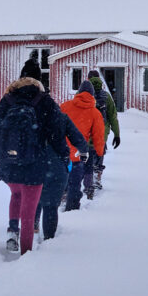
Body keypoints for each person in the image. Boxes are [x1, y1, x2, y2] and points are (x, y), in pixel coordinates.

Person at [0, 59, 88, 255]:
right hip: (34, 165)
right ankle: (26, 255)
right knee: (29, 212)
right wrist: (65, 160)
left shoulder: (8, 99)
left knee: (15, 195)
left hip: (9, 163)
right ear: (39, 79)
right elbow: (57, 136)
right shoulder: (45, 101)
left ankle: (13, 231)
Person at [60, 80, 106, 209]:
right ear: (92, 95)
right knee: (75, 183)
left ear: (78, 92)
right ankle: (72, 208)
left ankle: (59, 199)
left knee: (61, 178)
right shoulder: (94, 112)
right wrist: (99, 152)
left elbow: (54, 126)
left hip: (62, 151)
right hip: (79, 152)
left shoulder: (64, 106)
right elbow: (98, 136)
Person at [87, 70, 121, 190]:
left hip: (86, 131)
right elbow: (113, 117)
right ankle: (96, 177)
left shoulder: (82, 95)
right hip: (101, 131)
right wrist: (117, 134)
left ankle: (86, 178)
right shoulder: (106, 96)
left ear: (88, 79)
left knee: (85, 155)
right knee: (99, 152)